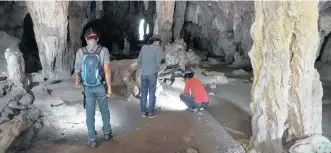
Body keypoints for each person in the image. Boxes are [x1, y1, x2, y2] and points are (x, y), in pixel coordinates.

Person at [74, 28, 113, 148]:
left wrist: (77, 82)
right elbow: (106, 70)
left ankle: (92, 139)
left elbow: (78, 70)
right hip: (100, 85)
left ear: (86, 39)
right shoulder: (103, 50)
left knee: (89, 112)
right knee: (104, 110)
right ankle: (107, 133)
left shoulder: (81, 51)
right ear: (97, 39)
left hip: (87, 87)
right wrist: (109, 88)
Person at [138, 34, 162, 118]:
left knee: (143, 93)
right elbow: (158, 62)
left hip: (143, 74)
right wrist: (156, 71)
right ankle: (151, 112)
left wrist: (143, 69)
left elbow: (139, 61)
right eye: (159, 41)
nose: (160, 43)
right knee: (152, 93)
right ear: (155, 41)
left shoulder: (143, 47)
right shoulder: (158, 49)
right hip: (152, 74)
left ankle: (143, 112)